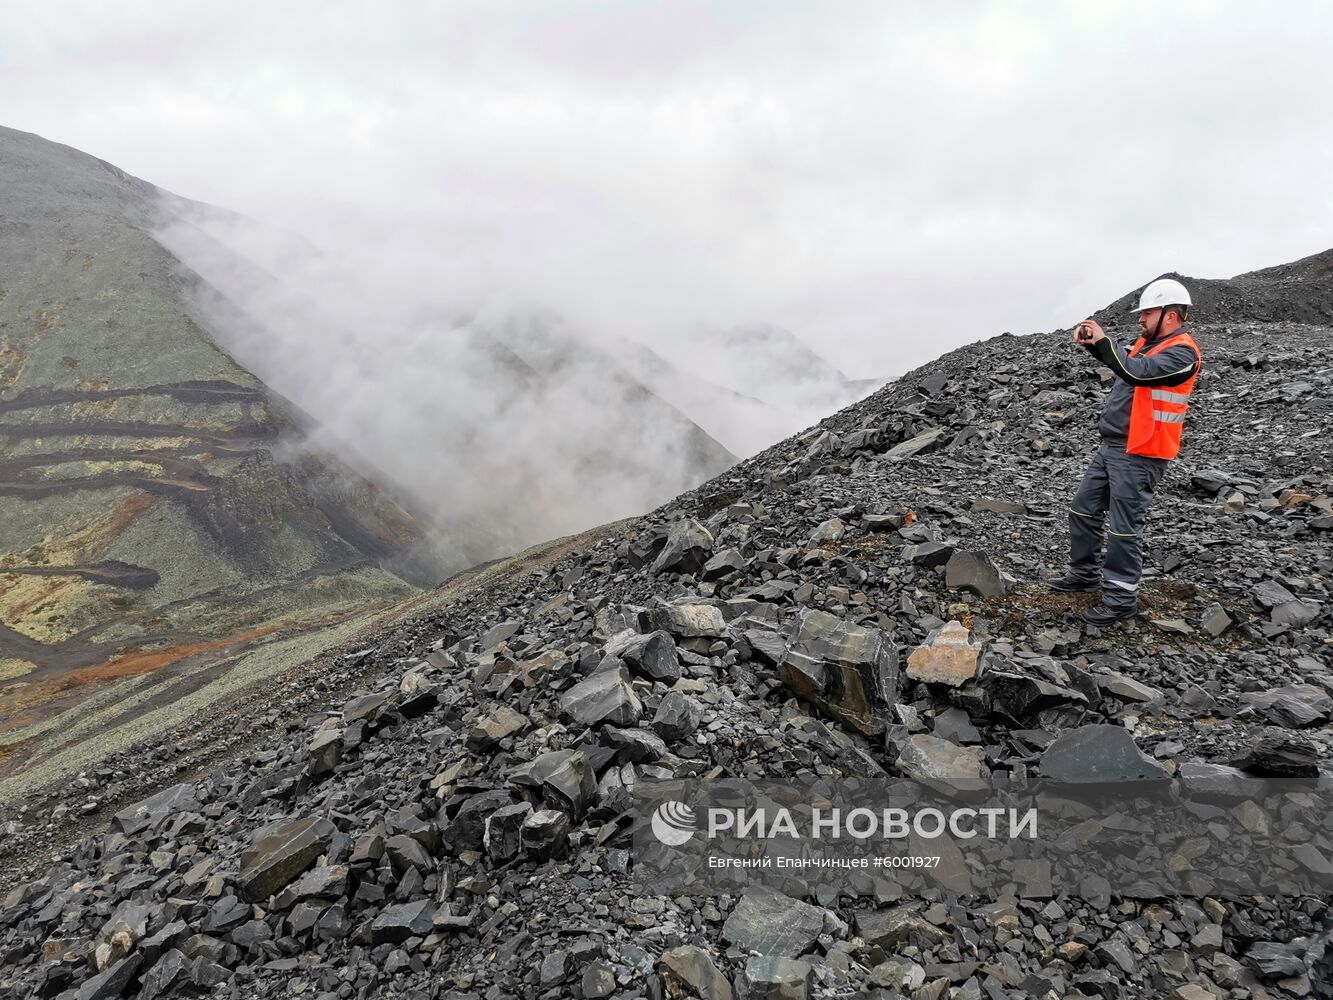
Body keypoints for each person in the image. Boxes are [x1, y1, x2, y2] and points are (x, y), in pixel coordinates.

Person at [1048, 277, 1203, 624]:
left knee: (1123, 528)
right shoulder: (1148, 345)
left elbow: (1137, 373)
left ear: (1171, 316)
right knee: (1083, 510)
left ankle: (1120, 599)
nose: (1141, 319)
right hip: (1113, 446)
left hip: (1142, 452)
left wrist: (1105, 343)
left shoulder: (1183, 353)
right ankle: (1084, 575)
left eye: (1148, 313)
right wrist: (1095, 345)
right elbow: (1125, 363)